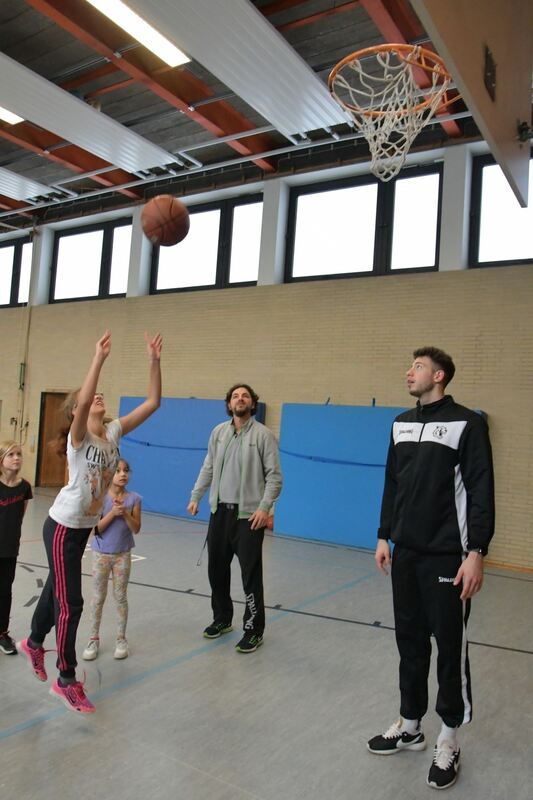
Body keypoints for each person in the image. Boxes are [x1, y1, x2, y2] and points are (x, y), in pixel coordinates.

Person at [367, 347, 495, 791]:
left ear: (438, 376)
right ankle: (410, 724)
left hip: (449, 557)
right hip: (406, 553)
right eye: (410, 365)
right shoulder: (400, 423)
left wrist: (476, 550)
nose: (409, 371)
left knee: (449, 648)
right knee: (410, 642)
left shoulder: (468, 423)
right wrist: (385, 535)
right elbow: (392, 483)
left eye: (417, 366)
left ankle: (449, 736)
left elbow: (480, 490)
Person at [18, 330, 162, 713]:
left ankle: (33, 643)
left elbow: (152, 402)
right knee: (72, 603)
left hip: (81, 528)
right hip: (63, 525)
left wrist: (153, 360)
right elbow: (83, 401)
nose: (98, 397)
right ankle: (65, 679)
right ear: (77, 413)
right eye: (90, 398)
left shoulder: (112, 434)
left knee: (55, 593)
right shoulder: (78, 439)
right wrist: (98, 359)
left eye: (101, 396)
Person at [187, 384, 282, 653]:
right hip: (220, 514)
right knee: (216, 571)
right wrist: (196, 496)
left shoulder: (264, 436)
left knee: (250, 576)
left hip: (249, 517)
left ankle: (253, 630)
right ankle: (222, 619)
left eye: (245, 396)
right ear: (229, 404)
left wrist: (264, 508)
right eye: (235, 396)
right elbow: (208, 466)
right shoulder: (218, 433)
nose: (240, 400)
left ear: (253, 405)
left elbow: (275, 477)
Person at [82, 459, 141, 662]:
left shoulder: (134, 499)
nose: (122, 474)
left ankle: (121, 638)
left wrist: (124, 513)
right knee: (98, 597)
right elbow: (95, 529)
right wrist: (112, 515)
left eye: (126, 470)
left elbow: (136, 528)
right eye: (118, 470)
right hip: (101, 555)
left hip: (122, 555)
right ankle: (93, 638)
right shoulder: (100, 497)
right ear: (109, 474)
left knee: (120, 597)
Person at [0, 441, 33, 655]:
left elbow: (20, 515)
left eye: (19, 454)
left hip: (9, 549)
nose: (16, 458)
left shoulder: (24, 487)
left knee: (4, 591)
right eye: (11, 454)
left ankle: (2, 633)